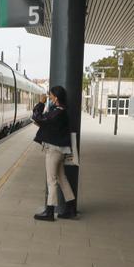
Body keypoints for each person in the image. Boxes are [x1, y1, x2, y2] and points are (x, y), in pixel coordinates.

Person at [32, 86, 76, 221]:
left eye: (50, 96)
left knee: (51, 180)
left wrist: (41, 103)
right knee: (62, 178)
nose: (49, 98)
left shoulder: (56, 113)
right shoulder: (61, 111)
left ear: (56, 97)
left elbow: (37, 117)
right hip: (61, 151)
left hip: (54, 150)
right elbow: (47, 123)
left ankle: (49, 211)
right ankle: (70, 208)